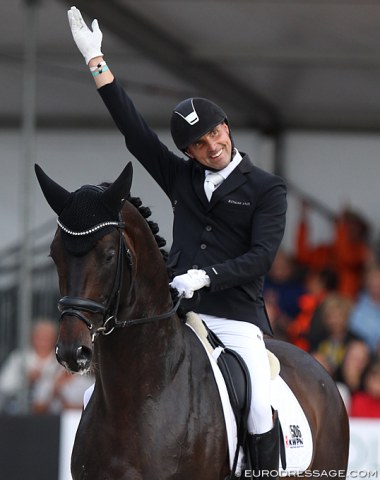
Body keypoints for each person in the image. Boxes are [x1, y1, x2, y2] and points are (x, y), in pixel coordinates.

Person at [67, 6, 287, 474]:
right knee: (96, 392)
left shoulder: (266, 188)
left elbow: (262, 256)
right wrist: (97, 62)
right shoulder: (181, 177)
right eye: (199, 143)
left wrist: (207, 277)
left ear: (226, 126)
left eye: (215, 132)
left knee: (257, 404)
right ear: (188, 151)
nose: (212, 145)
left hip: (234, 318)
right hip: (176, 314)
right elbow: (134, 133)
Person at [296, 201, 371, 301]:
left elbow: (345, 257)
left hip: (343, 305)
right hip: (319, 304)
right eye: (346, 226)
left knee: (349, 278)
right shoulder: (326, 250)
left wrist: (340, 228)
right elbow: (303, 255)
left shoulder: (361, 250)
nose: (349, 231)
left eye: (353, 228)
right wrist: (304, 218)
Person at [0, 318, 62, 413]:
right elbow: (4, 385)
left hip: (55, 416)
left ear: (55, 339)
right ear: (32, 338)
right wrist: (25, 379)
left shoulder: (62, 362)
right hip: (20, 414)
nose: (44, 342)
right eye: (40, 338)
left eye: (48, 338)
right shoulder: (19, 358)